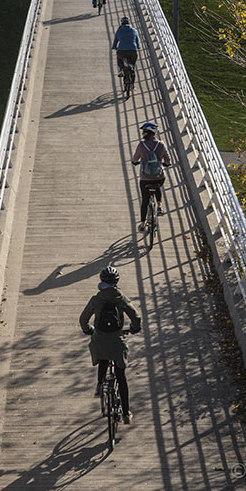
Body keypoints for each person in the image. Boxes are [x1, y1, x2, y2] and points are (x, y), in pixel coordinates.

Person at [79, 265, 141, 424]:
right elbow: (136, 317)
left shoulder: (96, 299)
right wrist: (134, 329)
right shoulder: (121, 299)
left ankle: (100, 386)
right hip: (117, 342)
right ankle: (126, 413)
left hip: (100, 340)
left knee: (103, 358)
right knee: (121, 377)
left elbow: (83, 320)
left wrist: (88, 330)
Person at [131, 121, 171, 231]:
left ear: (145, 133)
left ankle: (143, 224)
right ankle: (159, 206)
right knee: (157, 186)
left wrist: (135, 162)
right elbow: (168, 159)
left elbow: (135, 159)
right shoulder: (161, 144)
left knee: (145, 200)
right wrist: (166, 164)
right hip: (159, 175)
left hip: (145, 178)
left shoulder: (141, 145)